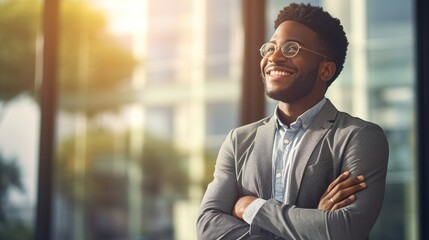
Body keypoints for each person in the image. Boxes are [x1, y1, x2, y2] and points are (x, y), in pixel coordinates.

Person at [196, 3, 389, 240]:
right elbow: (207, 226)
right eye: (271, 47)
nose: (274, 57)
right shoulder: (239, 141)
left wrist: (252, 208)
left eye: (291, 48)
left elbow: (345, 229)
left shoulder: (358, 137)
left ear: (326, 70)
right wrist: (312, 223)